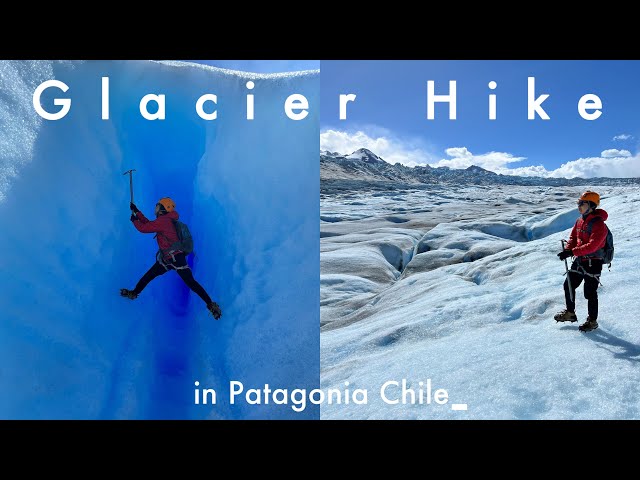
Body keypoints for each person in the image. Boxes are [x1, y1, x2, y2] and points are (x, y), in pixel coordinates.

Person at [120, 197, 222, 320]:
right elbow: (149, 224)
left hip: (172, 258)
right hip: (170, 259)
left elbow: (144, 228)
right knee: (190, 282)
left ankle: (134, 293)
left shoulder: (164, 220)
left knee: (152, 276)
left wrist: (134, 221)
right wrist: (137, 212)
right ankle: (211, 305)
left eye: (158, 206)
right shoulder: (165, 220)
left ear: (163, 209)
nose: (155, 208)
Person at [554, 190, 608, 332]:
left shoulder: (598, 224)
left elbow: (593, 245)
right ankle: (570, 313)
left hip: (593, 262)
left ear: (591, 205)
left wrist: (572, 252)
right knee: (569, 285)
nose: (578, 206)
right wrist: (568, 250)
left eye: (581, 203)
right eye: (578, 203)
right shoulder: (580, 221)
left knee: (590, 293)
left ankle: (592, 321)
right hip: (580, 260)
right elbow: (573, 238)